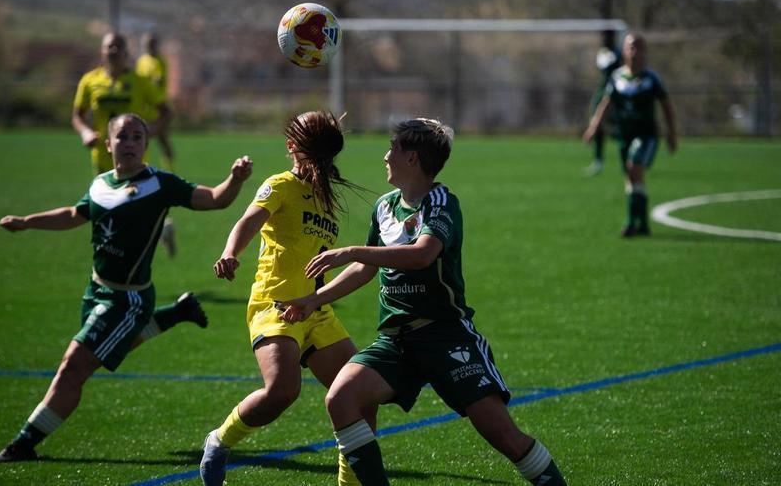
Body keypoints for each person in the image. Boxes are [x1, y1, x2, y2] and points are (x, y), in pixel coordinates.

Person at [279, 118, 568, 486]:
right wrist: (313, 299)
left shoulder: (442, 202)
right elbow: (364, 270)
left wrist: (351, 250)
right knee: (341, 398)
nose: (385, 156)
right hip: (397, 342)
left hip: (447, 336)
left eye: (393, 149)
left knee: (504, 436)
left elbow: (422, 254)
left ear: (412, 158)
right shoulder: (384, 207)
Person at [0, 113, 253, 464]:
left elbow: (216, 199)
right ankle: (176, 313)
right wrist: (27, 223)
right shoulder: (100, 184)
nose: (129, 143)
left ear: (146, 144)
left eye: (137, 137)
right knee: (105, 351)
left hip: (128, 299)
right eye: (122, 136)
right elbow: (73, 214)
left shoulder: (159, 183)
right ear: (107, 143)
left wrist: (234, 179)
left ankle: (24, 444)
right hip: (96, 290)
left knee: (74, 366)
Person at [199, 111, 374, 486]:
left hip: (316, 309)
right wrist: (232, 252)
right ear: (293, 147)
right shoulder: (280, 184)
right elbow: (249, 219)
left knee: (360, 396)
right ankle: (219, 440)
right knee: (282, 390)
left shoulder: (326, 198)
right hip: (275, 304)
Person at [72, 32, 179, 256]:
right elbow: (77, 115)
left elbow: (166, 111)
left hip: (133, 158)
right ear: (101, 51)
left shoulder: (140, 82)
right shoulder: (90, 81)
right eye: (109, 46)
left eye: (118, 47)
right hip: (102, 156)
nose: (113, 51)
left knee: (128, 210)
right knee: (107, 211)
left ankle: (123, 268)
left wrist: (149, 133)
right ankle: (161, 231)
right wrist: (85, 132)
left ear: (126, 53)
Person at [583, 32, 678, 237]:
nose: (633, 52)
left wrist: (672, 133)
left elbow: (667, 106)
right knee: (631, 178)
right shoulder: (618, 78)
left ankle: (629, 222)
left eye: (638, 47)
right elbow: (605, 104)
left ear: (644, 52)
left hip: (647, 136)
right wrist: (593, 127)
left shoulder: (651, 79)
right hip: (624, 135)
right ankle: (642, 223)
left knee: (633, 168)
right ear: (624, 51)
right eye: (630, 47)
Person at [583, 29, 622, 176]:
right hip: (602, 93)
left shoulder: (617, 54)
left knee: (617, 126)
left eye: (607, 36)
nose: (604, 39)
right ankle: (598, 161)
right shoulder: (603, 53)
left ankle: (629, 153)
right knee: (597, 125)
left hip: (615, 94)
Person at [136, 32, 176, 172]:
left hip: (158, 108)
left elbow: (158, 81)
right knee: (140, 140)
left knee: (162, 140)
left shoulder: (161, 61)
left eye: (152, 43)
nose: (149, 46)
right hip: (143, 107)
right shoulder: (142, 60)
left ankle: (170, 170)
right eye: (147, 43)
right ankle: (140, 169)